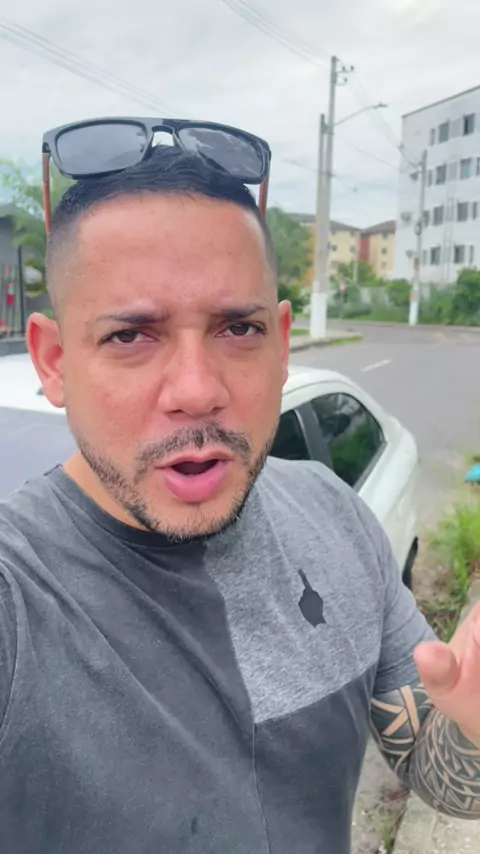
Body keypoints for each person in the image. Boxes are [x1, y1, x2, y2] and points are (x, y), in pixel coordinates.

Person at [0, 137, 479, 854]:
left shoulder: (336, 516)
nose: (198, 390)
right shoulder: (19, 594)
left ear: (282, 344)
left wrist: (473, 725)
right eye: (131, 335)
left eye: (238, 328)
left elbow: (435, 770)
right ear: (54, 361)